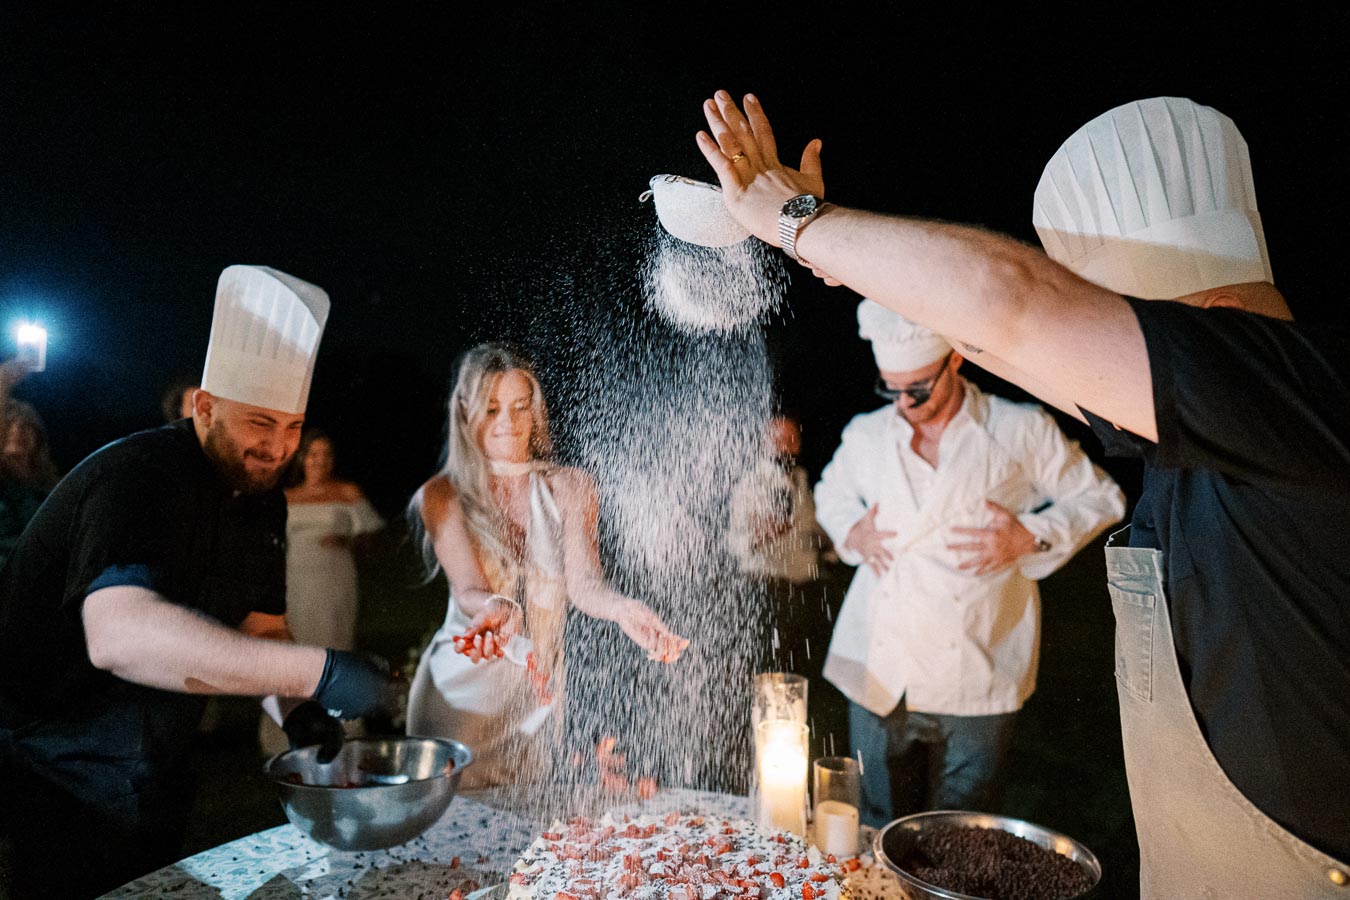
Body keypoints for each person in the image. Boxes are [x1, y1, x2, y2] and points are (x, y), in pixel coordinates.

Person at [695, 92, 1349, 892]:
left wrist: (798, 216)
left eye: (1125, 329)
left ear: (1209, 322)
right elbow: (998, 335)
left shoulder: (1292, 395)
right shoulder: (1216, 424)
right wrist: (830, 256)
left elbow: (1008, 305)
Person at [0, 265, 397, 899]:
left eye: (292, 427)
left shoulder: (263, 500)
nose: (277, 449)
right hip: (61, 768)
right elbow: (119, 635)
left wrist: (301, 715)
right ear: (204, 407)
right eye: (259, 425)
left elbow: (262, 627)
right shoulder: (137, 477)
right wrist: (315, 671)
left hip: (161, 764)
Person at [813, 300, 1123, 824]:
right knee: (874, 818)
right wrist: (851, 531)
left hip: (978, 661)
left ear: (955, 359)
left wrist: (1029, 536)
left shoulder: (1018, 429)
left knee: (964, 825)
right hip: (880, 660)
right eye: (891, 389)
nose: (904, 403)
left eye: (917, 388)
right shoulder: (868, 434)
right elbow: (829, 493)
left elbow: (1102, 498)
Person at [405, 343, 688, 788]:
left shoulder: (572, 486)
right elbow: (467, 589)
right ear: (465, 410)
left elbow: (585, 583)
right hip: (461, 697)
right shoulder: (442, 495)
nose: (508, 424)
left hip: (536, 697)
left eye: (521, 407)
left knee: (526, 840)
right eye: (492, 408)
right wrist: (502, 608)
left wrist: (623, 609)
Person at [258, 428, 386, 756]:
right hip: (296, 581)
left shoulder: (347, 493)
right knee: (295, 645)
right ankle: (291, 727)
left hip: (334, 579)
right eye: (314, 454)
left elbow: (373, 536)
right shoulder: (286, 496)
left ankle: (343, 725)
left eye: (326, 454)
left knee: (334, 644)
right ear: (303, 459)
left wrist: (347, 540)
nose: (320, 461)